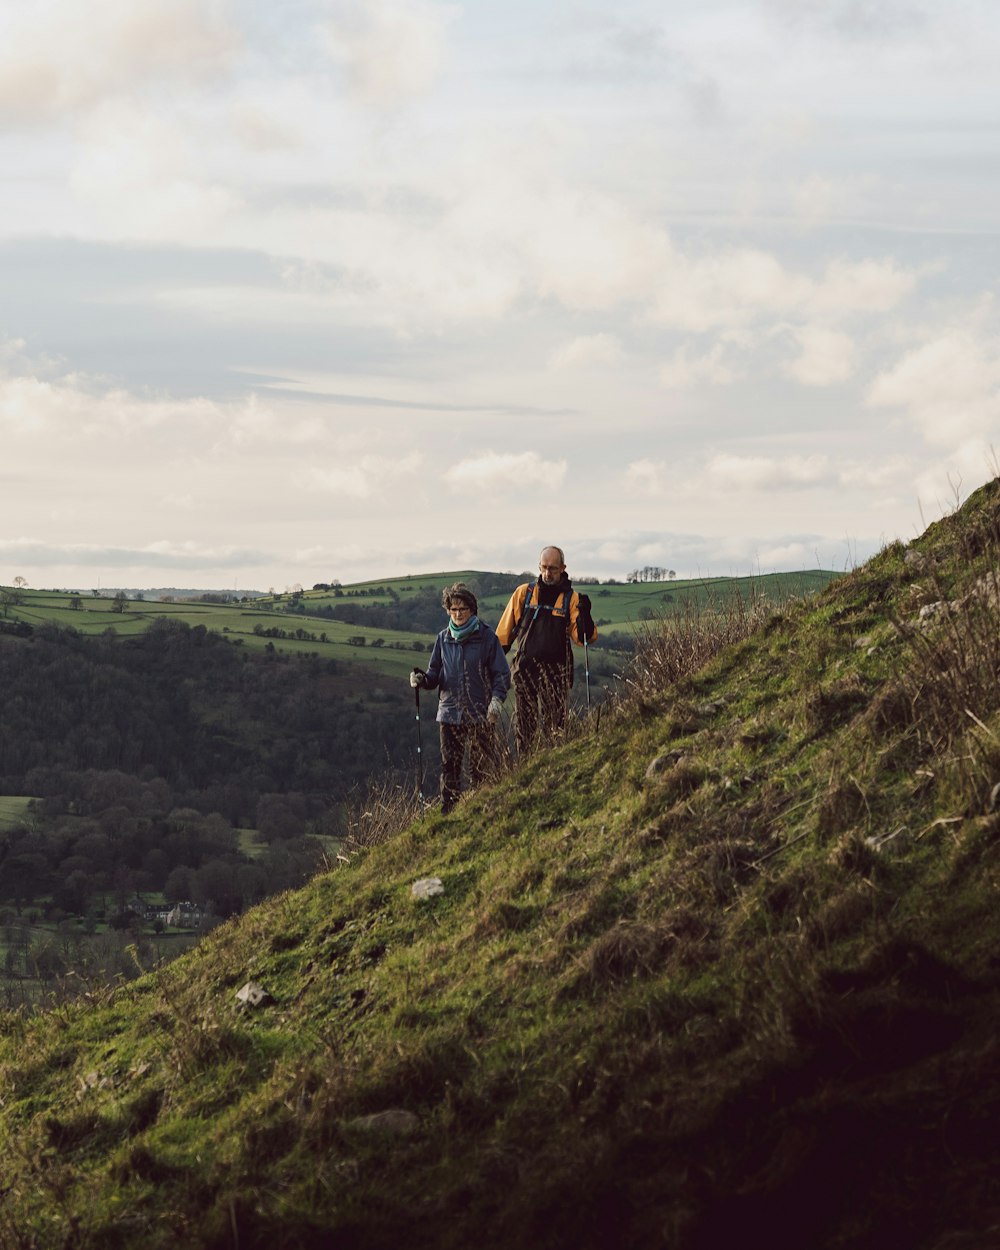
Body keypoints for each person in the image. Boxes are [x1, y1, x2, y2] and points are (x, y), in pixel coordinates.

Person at [410, 582, 510, 815]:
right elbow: (435, 674)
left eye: (462, 609)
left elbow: (501, 674)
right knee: (450, 766)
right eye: (453, 609)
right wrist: (422, 680)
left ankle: (482, 808)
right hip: (449, 713)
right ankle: (449, 812)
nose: (457, 614)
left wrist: (496, 700)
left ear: (472, 610)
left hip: (480, 713)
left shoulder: (487, 637)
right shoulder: (443, 639)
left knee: (481, 765)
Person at [495, 545, 597, 755]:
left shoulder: (572, 599)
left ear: (563, 568)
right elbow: (503, 636)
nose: (548, 573)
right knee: (524, 729)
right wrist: (491, 664)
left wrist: (585, 614)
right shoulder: (524, 593)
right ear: (539, 567)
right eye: (544, 568)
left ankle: (555, 769)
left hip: (557, 673)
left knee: (556, 729)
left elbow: (583, 639)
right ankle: (525, 770)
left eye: (553, 568)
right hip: (525, 671)